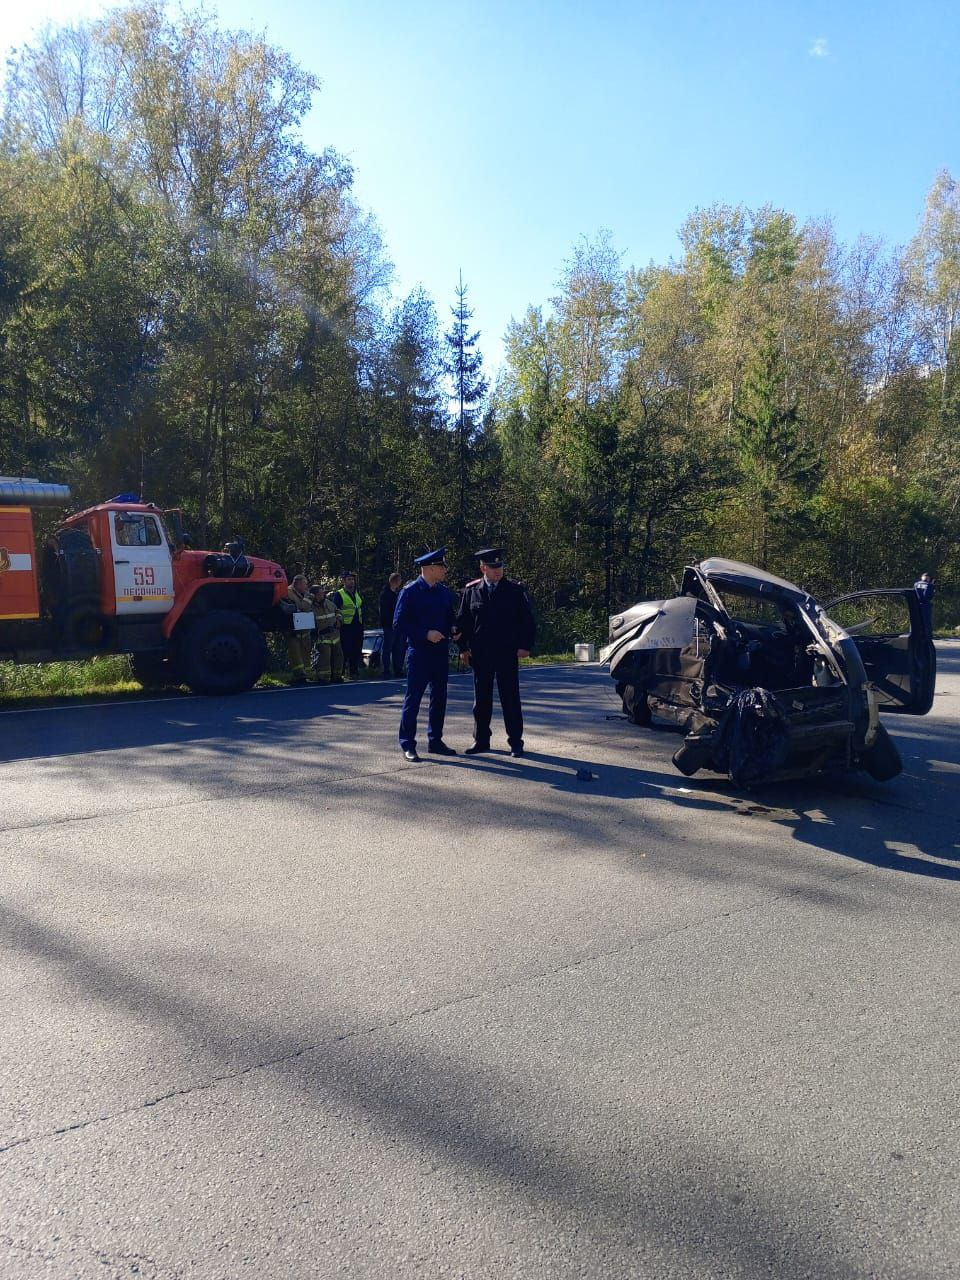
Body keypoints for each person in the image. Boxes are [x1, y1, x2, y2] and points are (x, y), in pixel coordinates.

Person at [456, 548, 535, 757]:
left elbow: (527, 621)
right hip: (481, 654)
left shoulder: (515, 591)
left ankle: (516, 742)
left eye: (500, 566)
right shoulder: (471, 591)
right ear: (483, 568)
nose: (498, 571)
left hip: (506, 653)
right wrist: (463, 648)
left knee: (510, 698)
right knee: (481, 700)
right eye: (493, 567)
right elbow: (462, 622)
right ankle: (481, 740)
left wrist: (525, 645)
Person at [394, 547, 457, 761]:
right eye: (442, 566)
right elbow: (399, 624)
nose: (445, 570)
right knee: (414, 699)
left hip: (440, 652)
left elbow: (449, 619)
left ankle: (435, 740)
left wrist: (454, 630)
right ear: (430, 568)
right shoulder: (410, 592)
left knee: (439, 698)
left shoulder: (444, 592)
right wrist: (424, 634)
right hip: (419, 653)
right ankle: (408, 744)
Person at [283, 573, 315, 684]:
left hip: (304, 629)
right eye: (305, 584)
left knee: (305, 652)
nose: (306, 587)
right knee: (295, 654)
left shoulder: (301, 593)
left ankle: (306, 675)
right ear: (298, 583)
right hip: (293, 630)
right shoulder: (288, 592)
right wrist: (307, 599)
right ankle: (299, 676)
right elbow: (302, 608)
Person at [309, 582, 344, 684]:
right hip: (322, 637)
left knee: (339, 655)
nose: (322, 595)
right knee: (325, 657)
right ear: (313, 595)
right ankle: (323, 677)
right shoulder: (310, 607)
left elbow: (337, 611)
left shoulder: (328, 603)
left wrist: (339, 619)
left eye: (322, 593)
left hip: (335, 635)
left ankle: (337, 676)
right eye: (319, 594)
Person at [334, 571, 364, 678]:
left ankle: (353, 671)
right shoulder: (339, 594)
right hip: (346, 626)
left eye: (352, 579)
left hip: (357, 625)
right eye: (349, 579)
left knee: (357, 649)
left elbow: (359, 607)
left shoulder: (356, 592)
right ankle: (340, 672)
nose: (352, 581)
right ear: (343, 581)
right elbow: (336, 609)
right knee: (345, 650)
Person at [378, 572, 405, 678]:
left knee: (397, 648)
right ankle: (386, 671)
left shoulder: (396, 594)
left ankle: (397, 670)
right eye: (399, 580)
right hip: (389, 625)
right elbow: (384, 611)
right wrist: (389, 623)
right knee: (387, 649)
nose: (400, 582)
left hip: (397, 625)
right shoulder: (385, 594)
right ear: (395, 581)